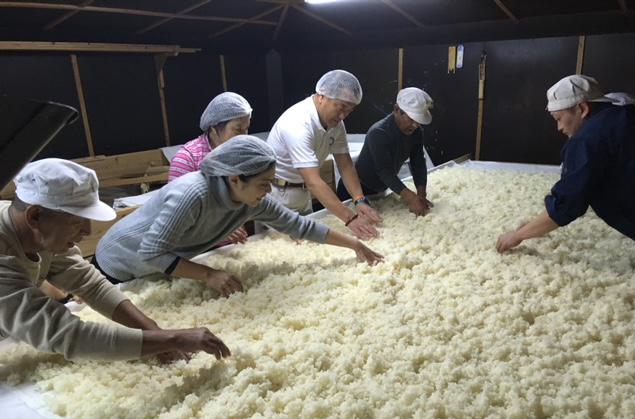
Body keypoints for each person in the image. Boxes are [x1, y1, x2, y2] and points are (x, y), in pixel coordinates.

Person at [0, 158, 231, 361]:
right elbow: (68, 335)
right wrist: (172, 339)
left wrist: (153, 332)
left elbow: (91, 285)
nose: (88, 231)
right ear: (35, 216)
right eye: (77, 222)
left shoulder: (43, 233)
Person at [93, 136, 384, 296]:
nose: (268, 190)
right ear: (234, 179)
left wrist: (354, 245)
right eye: (263, 183)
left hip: (154, 266)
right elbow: (150, 252)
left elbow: (298, 225)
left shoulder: (252, 200)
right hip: (116, 264)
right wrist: (209, 275)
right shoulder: (191, 195)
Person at [496, 74, 635, 253]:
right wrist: (533, 226)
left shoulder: (587, 139)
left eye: (558, 119)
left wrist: (517, 236)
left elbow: (568, 204)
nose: (559, 128)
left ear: (583, 108)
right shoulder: (625, 114)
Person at [267, 70, 382, 240]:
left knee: (308, 243)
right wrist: (350, 218)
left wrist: (359, 200)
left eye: (349, 111)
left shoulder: (336, 124)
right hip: (279, 196)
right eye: (341, 107)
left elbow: (345, 164)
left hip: (303, 193)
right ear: (322, 97)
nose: (343, 116)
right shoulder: (298, 123)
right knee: (283, 250)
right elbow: (313, 181)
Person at [170, 91, 253, 244]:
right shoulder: (187, 158)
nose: (244, 136)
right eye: (238, 129)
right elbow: (175, 216)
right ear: (214, 128)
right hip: (197, 250)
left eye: (246, 129)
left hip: (232, 247)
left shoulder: (242, 154)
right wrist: (220, 231)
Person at [337, 87, 434, 216]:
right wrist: (411, 198)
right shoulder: (379, 133)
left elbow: (418, 162)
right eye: (411, 119)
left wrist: (421, 195)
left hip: (380, 190)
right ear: (397, 109)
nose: (415, 125)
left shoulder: (416, 132)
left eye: (418, 121)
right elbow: (385, 171)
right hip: (355, 190)